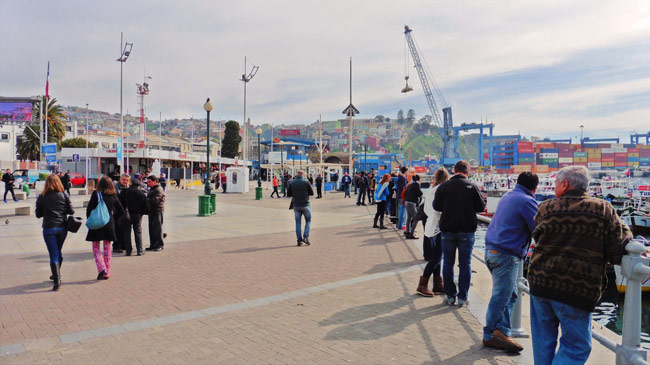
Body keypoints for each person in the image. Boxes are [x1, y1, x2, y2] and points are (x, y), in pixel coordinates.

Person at [528, 166, 635, 364]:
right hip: (576, 288)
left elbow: (537, 235)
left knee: (543, 342)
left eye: (555, 184)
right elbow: (616, 248)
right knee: (577, 347)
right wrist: (628, 236)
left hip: (540, 283)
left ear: (565, 184)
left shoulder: (546, 207)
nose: (553, 188)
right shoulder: (602, 209)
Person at [482, 172, 539, 353]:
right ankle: (490, 334)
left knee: (511, 294)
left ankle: (502, 332)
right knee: (501, 296)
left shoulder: (509, 195)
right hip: (506, 255)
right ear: (534, 188)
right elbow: (539, 228)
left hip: (492, 250)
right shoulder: (527, 201)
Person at [433, 160, 485, 307]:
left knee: (448, 263)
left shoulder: (444, 187)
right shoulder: (472, 186)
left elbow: (436, 206)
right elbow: (480, 207)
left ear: (454, 171)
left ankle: (450, 295)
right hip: (467, 231)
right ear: (467, 172)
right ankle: (463, 297)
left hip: (448, 230)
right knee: (465, 264)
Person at [35, 174, 74, 291]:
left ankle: (57, 280)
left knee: (54, 253)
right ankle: (55, 274)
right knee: (57, 252)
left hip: (49, 228)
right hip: (62, 228)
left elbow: (38, 214)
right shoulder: (64, 195)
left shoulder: (42, 197)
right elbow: (71, 211)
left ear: (46, 184)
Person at [417, 168, 449, 297]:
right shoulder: (442, 190)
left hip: (431, 225)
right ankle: (422, 284)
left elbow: (427, 208)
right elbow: (441, 209)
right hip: (438, 226)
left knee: (437, 256)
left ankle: (437, 284)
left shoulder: (432, 189)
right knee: (436, 257)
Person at [86, 176, 125, 280]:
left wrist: (90, 219)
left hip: (97, 224)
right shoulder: (113, 195)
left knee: (96, 247)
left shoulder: (96, 194)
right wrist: (112, 217)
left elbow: (89, 209)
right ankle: (107, 272)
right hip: (109, 223)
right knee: (107, 248)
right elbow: (121, 210)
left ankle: (101, 268)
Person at [121, 179, 149, 256]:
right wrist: (142, 213)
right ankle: (139, 250)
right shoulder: (141, 193)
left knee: (127, 233)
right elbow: (146, 206)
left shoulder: (125, 192)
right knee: (138, 232)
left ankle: (128, 250)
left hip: (127, 214)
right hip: (137, 215)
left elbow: (120, 202)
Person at [287, 170, 314, 247]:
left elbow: (289, 194)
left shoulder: (292, 182)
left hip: (296, 205)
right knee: (308, 220)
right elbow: (312, 193)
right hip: (306, 204)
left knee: (298, 222)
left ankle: (299, 240)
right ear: (303, 175)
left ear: (297, 174)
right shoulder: (306, 182)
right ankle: (306, 237)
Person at [146, 175, 165, 252]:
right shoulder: (152, 189)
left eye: (149, 182)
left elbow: (155, 200)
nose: (148, 183)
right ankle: (153, 244)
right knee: (151, 228)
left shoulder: (158, 189)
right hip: (152, 210)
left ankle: (160, 244)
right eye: (147, 182)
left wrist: (146, 199)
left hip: (157, 210)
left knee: (157, 228)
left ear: (155, 181)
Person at [112, 174, 130, 253]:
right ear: (120, 179)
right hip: (117, 212)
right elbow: (115, 199)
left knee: (124, 230)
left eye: (127, 180)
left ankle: (123, 245)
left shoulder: (128, 187)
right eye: (124, 179)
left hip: (125, 212)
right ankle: (116, 246)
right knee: (116, 230)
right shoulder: (115, 186)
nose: (125, 181)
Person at [404, 175, 423, 239]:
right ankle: (411, 233)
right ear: (419, 179)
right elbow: (420, 194)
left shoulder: (411, 184)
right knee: (416, 218)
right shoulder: (417, 184)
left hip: (407, 202)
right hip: (411, 203)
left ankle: (407, 232)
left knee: (409, 218)